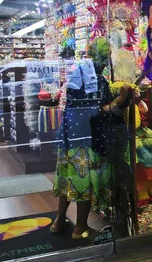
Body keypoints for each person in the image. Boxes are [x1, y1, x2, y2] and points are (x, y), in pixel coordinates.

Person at [51, 38, 134, 240]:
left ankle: (59, 221)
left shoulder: (77, 72)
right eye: (105, 58)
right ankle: (80, 228)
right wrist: (120, 100)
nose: (106, 63)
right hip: (87, 138)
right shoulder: (94, 79)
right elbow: (99, 110)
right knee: (83, 183)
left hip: (70, 136)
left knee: (67, 179)